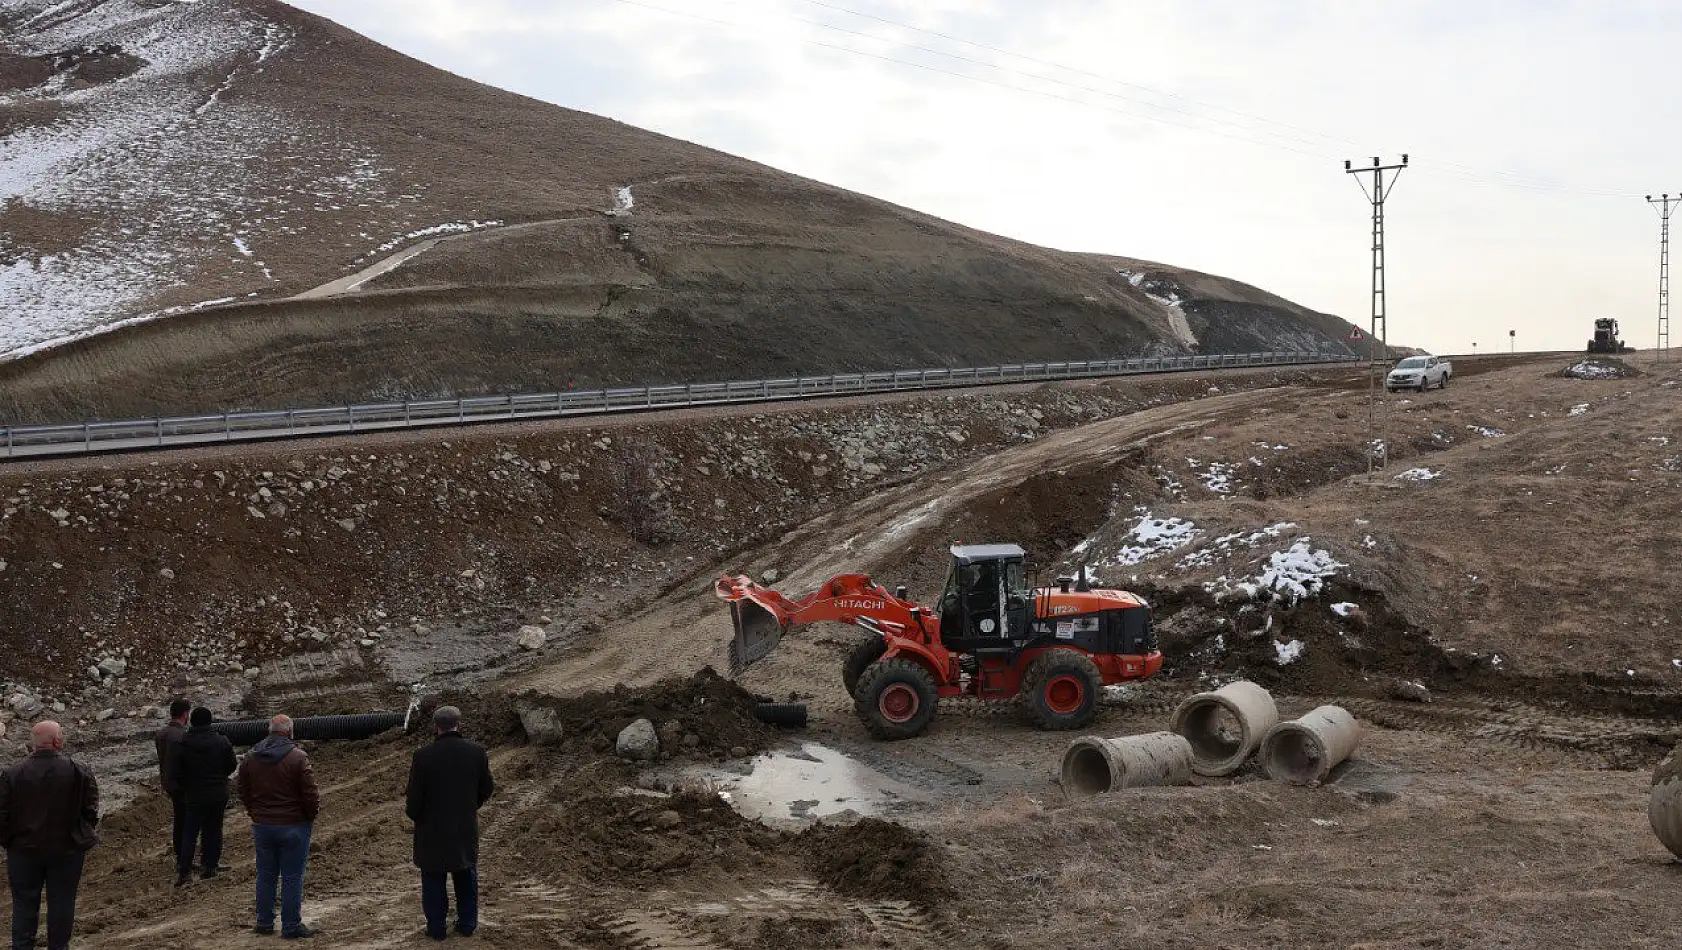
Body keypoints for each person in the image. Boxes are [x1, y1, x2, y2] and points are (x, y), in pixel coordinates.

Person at [0, 722, 100, 950]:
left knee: (24, 904)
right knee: (62, 903)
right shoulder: (78, 769)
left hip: (24, 851)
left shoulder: (12, 774)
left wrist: (10, 841)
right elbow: (90, 808)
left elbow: (2, 814)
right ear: (56, 741)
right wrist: (80, 833)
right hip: (67, 849)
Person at [405, 706, 494, 940]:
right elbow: (487, 788)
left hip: (431, 830)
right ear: (459, 724)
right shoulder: (476, 752)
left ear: (436, 727)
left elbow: (413, 800)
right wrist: (469, 806)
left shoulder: (422, 756)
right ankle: (467, 924)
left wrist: (419, 818)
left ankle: (436, 929)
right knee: (466, 875)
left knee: (433, 878)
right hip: (463, 827)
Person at [236, 715, 320, 939]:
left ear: (269, 731)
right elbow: (310, 793)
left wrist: (255, 812)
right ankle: (291, 926)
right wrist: (308, 816)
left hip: (263, 825)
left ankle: (264, 922)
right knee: (292, 877)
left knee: (265, 875)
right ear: (290, 731)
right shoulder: (298, 757)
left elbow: (242, 789)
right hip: (293, 825)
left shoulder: (251, 758)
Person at [169, 707, 236, 887]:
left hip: (194, 795)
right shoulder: (221, 741)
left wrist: (187, 787)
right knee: (214, 830)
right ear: (210, 721)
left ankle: (185, 873)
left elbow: (176, 771)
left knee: (190, 833)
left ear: (191, 721)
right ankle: (210, 866)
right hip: (218, 793)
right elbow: (232, 765)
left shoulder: (183, 743)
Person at [155, 698, 191, 860]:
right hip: (181, 785)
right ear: (185, 714)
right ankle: (183, 855)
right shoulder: (182, 736)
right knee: (185, 822)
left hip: (167, 782)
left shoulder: (161, 734)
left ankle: (180, 852)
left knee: (179, 819)